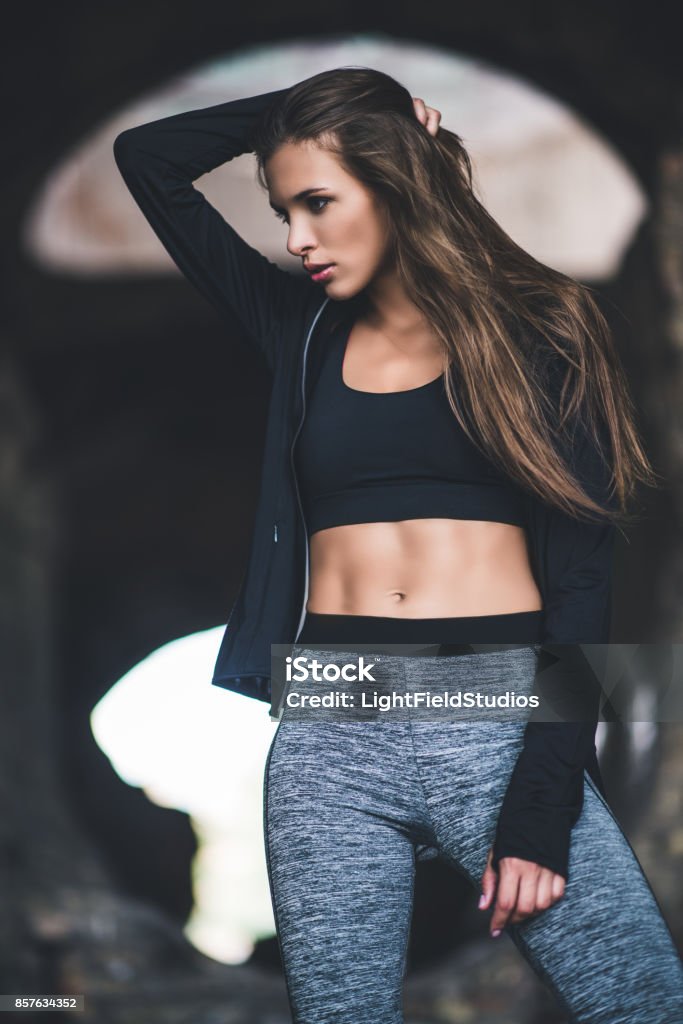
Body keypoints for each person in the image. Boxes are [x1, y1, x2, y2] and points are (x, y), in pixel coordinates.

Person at [113, 66, 683, 1022]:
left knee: (640, 1003)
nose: (295, 238)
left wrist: (542, 808)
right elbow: (149, 160)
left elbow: (584, 577)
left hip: (496, 709)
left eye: (318, 202)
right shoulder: (295, 330)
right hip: (328, 722)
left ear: (397, 181)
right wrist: (309, 119)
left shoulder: (542, 327)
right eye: (281, 208)